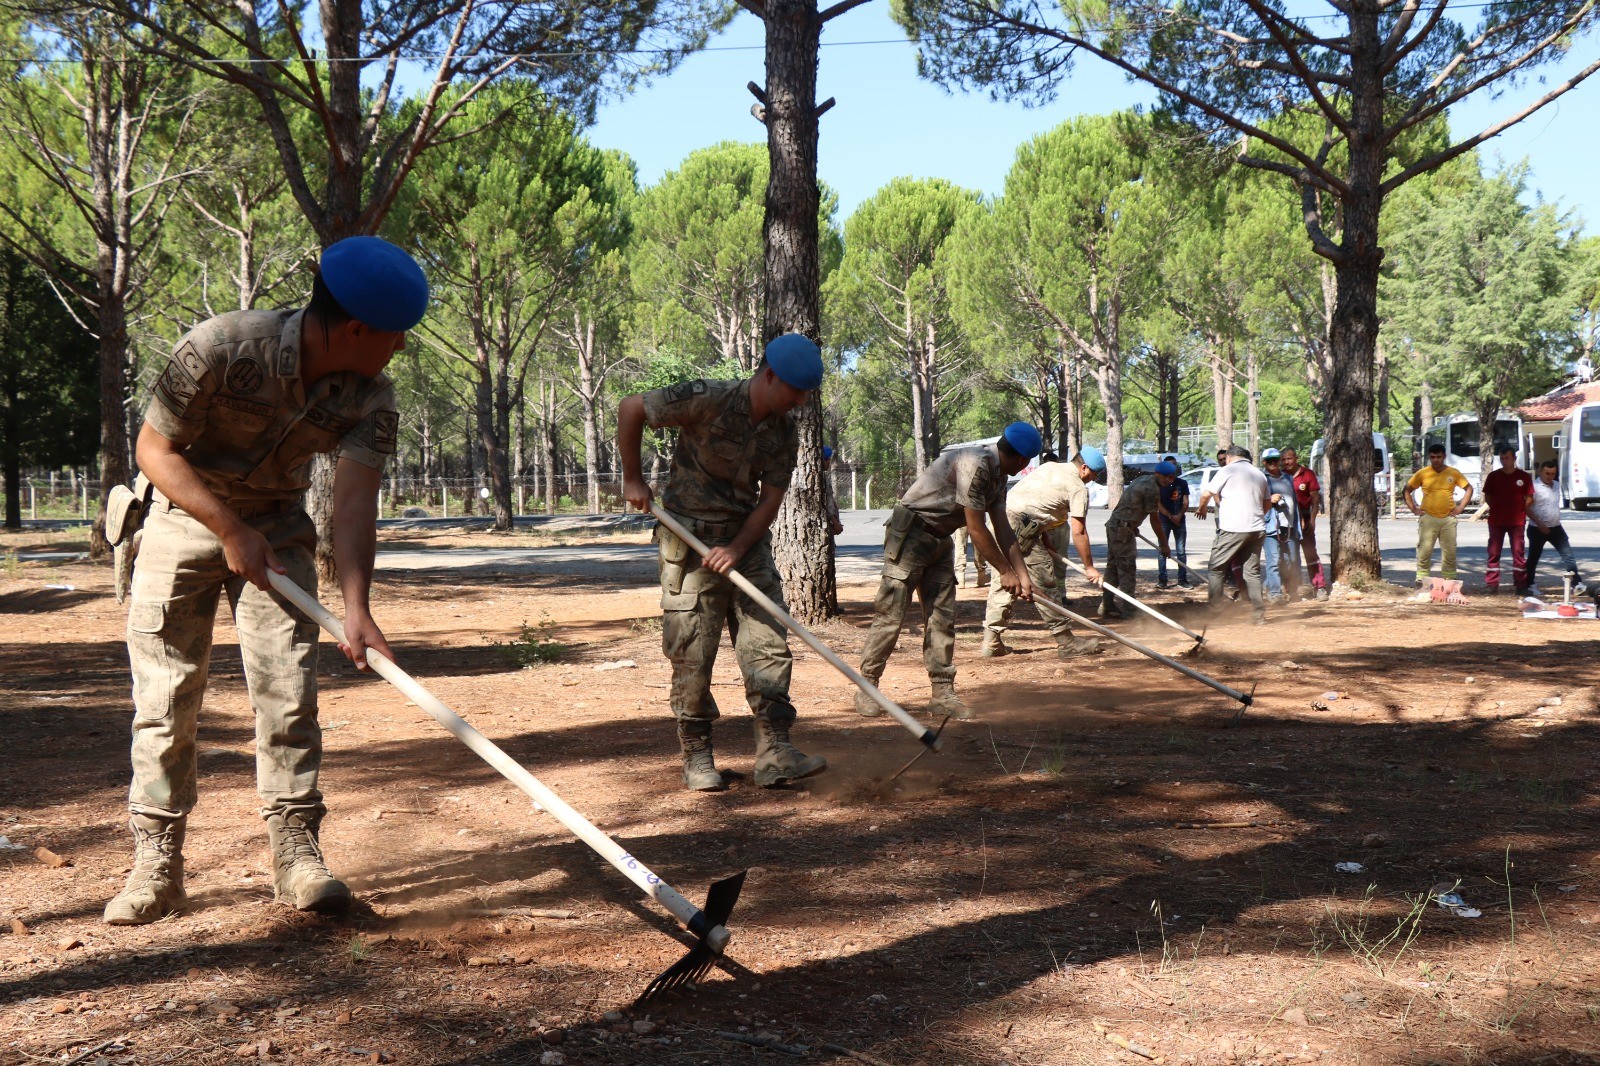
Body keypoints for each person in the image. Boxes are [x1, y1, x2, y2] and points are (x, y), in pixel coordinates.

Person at [105, 236, 427, 926]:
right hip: (182, 511)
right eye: (396, 336)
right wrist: (226, 529)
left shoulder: (372, 395)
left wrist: (358, 606)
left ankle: (296, 854)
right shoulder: (223, 345)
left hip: (277, 528)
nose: (399, 350)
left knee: (288, 693)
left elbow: (352, 501)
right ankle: (156, 864)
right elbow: (153, 450)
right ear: (356, 329)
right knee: (167, 698)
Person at [618, 334, 828, 793]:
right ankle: (696, 756)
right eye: (795, 390)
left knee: (768, 645)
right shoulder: (707, 398)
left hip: (745, 545)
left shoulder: (784, 431)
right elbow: (632, 406)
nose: (801, 401)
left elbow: (770, 501)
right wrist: (632, 478)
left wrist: (737, 548)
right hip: (688, 542)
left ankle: (776, 752)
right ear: (769, 376)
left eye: (806, 392)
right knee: (692, 653)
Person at [854, 423, 1040, 721]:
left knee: (942, 618)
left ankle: (942, 694)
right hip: (912, 534)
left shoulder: (998, 475)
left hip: (941, 540)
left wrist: (1023, 575)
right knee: (891, 615)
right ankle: (867, 687)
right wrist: (1005, 572)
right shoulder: (976, 464)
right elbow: (978, 530)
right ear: (1022, 460)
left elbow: (1004, 529)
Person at [982, 447, 1107, 659]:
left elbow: (1039, 506)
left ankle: (991, 641)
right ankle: (1066, 641)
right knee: (1045, 582)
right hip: (1019, 529)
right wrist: (1089, 567)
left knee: (1003, 583)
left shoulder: (1050, 467)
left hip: (999, 522)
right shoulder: (1077, 487)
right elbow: (1079, 531)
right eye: (1093, 475)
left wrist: (1045, 540)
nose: (1092, 480)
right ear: (1084, 467)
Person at [1196, 445, 1271, 625]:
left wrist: (1201, 508)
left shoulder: (1227, 470)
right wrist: (1257, 515)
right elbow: (1267, 502)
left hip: (1233, 528)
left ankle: (1215, 612)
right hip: (1256, 528)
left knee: (1216, 568)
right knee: (1252, 573)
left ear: (1230, 457)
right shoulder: (1259, 473)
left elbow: (1206, 494)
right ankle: (1259, 616)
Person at [1099, 463, 1175, 619]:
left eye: (1172, 477)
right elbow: (1155, 520)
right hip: (1122, 529)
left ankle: (1106, 604)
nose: (1169, 480)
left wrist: (1132, 524)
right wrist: (1164, 544)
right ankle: (1129, 608)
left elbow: (1129, 505)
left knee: (1113, 567)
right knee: (1127, 568)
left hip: (1117, 525)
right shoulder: (1151, 489)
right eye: (1166, 477)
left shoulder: (1143, 479)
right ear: (1157, 473)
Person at [1404, 443, 1473, 587]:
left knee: (1449, 551)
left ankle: (1450, 579)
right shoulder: (1423, 473)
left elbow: (1469, 488)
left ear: (1444, 456)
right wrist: (1414, 510)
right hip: (1428, 517)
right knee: (1425, 549)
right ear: (1429, 457)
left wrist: (1460, 508)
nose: (1436, 460)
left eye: (1439, 457)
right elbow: (1406, 490)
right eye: (1433, 457)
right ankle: (1421, 578)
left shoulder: (1453, 473)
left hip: (1448, 518)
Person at [1524, 459, 1585, 595]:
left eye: (1553, 473)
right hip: (1537, 528)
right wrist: (1540, 524)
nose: (1550, 476)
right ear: (1540, 472)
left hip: (1556, 527)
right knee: (1533, 558)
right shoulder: (1533, 487)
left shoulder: (1557, 485)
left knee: (1568, 555)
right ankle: (1529, 584)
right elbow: (1526, 508)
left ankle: (1576, 583)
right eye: (1547, 473)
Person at [1480, 444, 1533, 594]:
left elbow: (1530, 497)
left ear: (1514, 458)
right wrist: (1497, 508)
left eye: (1507, 458)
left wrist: (1520, 510)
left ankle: (1521, 585)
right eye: (1502, 458)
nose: (1504, 461)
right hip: (1496, 521)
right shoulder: (1493, 476)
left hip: (1517, 522)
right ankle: (1492, 584)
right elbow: (1488, 496)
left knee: (1518, 553)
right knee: (1494, 553)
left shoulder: (1523, 477)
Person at [1280, 447, 1327, 598]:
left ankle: (1319, 587)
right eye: (1284, 459)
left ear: (1296, 458)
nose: (1287, 462)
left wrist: (1312, 520)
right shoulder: (1280, 475)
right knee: (1289, 555)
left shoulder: (1307, 474)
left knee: (1310, 553)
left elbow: (1315, 499)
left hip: (1306, 519)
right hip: (1287, 521)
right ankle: (1291, 589)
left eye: (1289, 458)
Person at [1260, 449, 1301, 603]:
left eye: (1276, 460)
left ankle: (1287, 590)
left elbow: (1295, 502)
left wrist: (1299, 522)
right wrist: (1269, 500)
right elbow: (1255, 501)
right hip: (1271, 527)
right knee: (1274, 561)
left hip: (1289, 526)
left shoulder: (1288, 478)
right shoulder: (1261, 479)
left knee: (1290, 561)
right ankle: (1275, 594)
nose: (1273, 463)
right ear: (1264, 462)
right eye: (1269, 460)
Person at [1156, 454, 1192, 589]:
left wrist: (1179, 516)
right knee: (1162, 550)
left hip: (1180, 521)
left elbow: (1186, 502)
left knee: (1181, 551)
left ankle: (1182, 579)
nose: (1173, 468)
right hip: (1164, 521)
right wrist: (1171, 516)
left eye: (1174, 465)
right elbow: (1158, 503)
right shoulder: (1160, 484)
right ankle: (1162, 580)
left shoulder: (1182, 483)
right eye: (1170, 466)